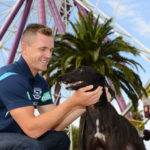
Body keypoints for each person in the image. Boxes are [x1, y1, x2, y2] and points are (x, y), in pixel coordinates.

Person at [0, 23, 105, 150]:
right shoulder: (11, 78)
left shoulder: (39, 82)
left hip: (17, 136)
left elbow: (56, 124)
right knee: (30, 145)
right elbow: (32, 130)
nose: (49, 56)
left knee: (60, 139)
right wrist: (73, 101)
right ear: (25, 48)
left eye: (51, 50)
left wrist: (87, 103)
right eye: (42, 49)